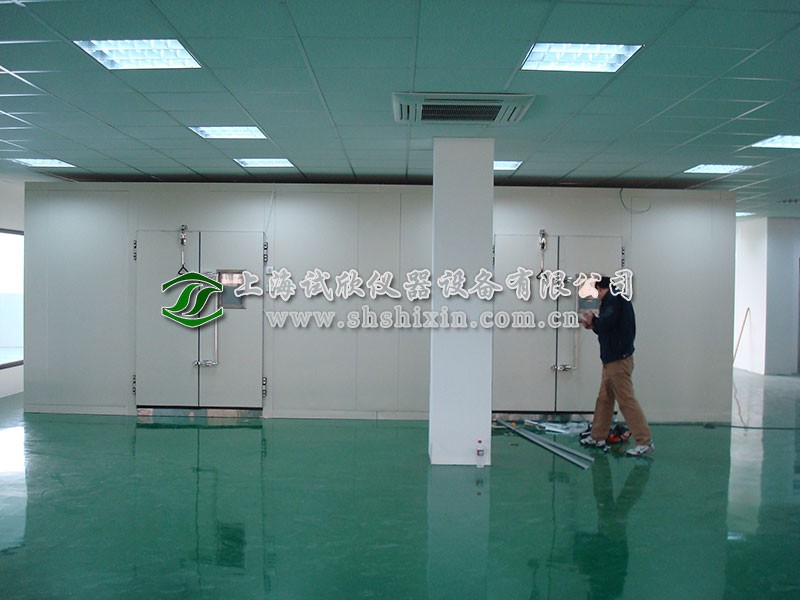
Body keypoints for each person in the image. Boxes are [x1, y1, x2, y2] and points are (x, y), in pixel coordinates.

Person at [580, 276, 654, 456]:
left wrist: (592, 320)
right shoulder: (614, 300)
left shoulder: (614, 299)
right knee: (604, 398)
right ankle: (598, 436)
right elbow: (607, 327)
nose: (596, 296)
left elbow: (606, 323)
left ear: (601, 288)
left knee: (626, 400)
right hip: (611, 359)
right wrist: (594, 324)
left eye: (596, 291)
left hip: (618, 361)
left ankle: (644, 441)